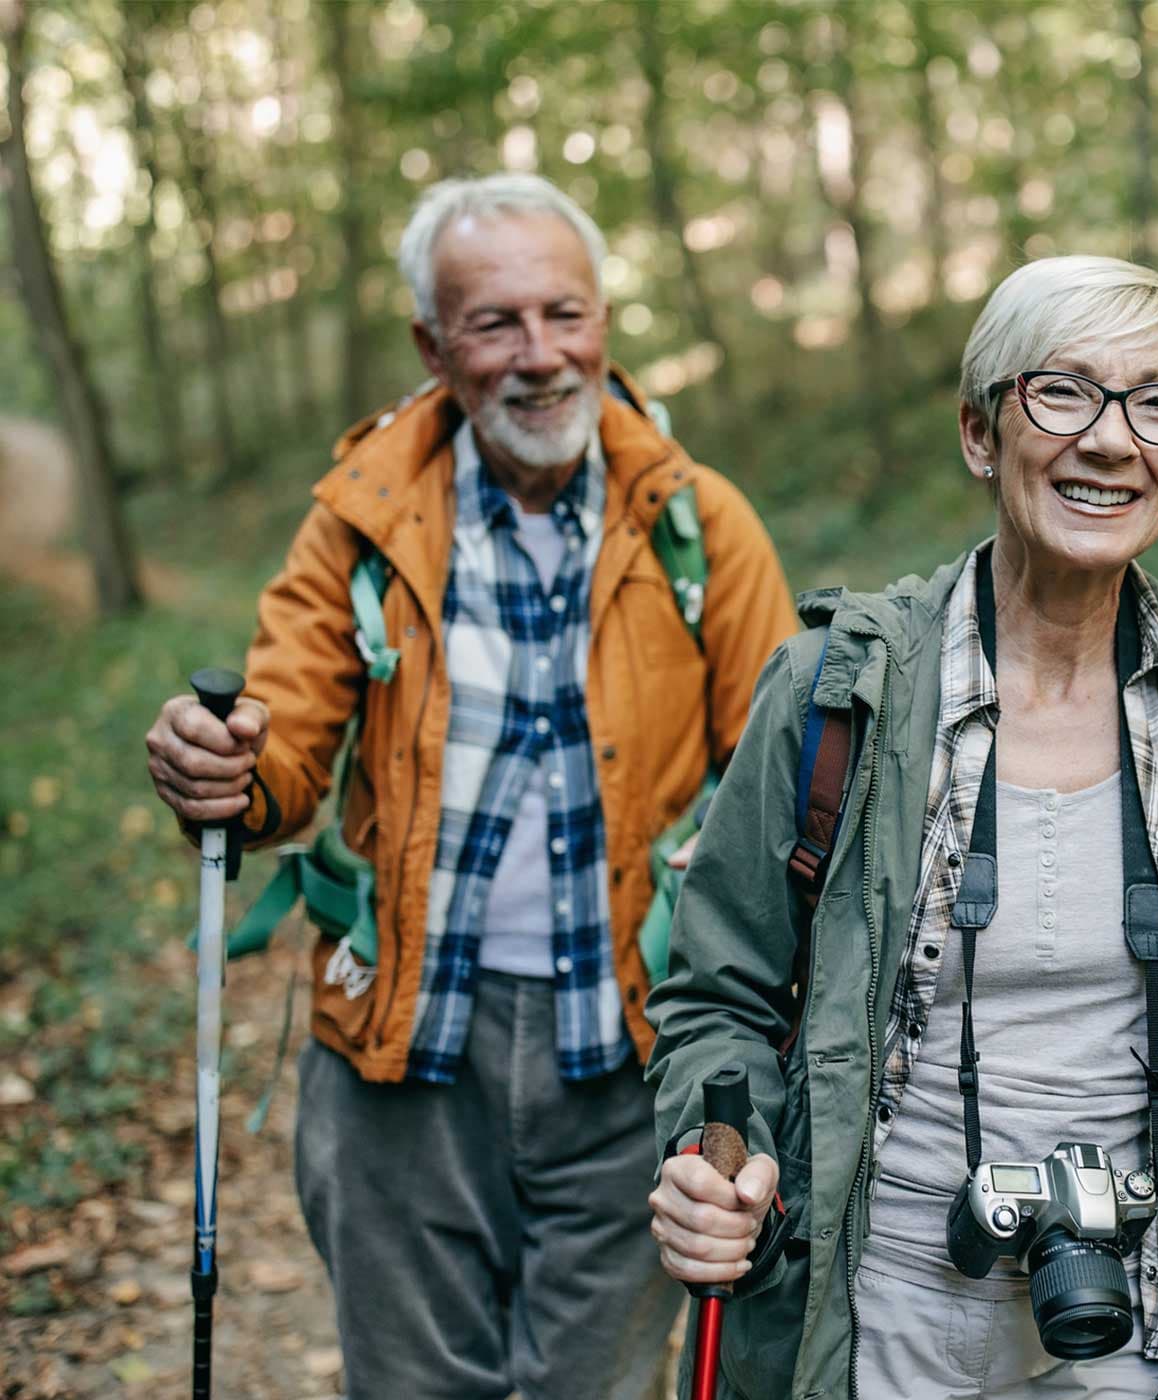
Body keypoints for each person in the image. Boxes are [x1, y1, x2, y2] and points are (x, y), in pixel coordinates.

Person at [644, 255, 1158, 1400]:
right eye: (1062, 391)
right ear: (979, 431)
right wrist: (724, 1169)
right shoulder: (837, 694)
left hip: (1143, 1313)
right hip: (874, 1317)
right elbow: (719, 994)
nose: (1112, 441)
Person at [143, 174, 798, 1400]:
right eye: (496, 323)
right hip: (403, 1051)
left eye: (567, 313)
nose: (542, 356)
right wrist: (220, 768)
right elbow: (282, 750)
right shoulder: (361, 522)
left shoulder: (699, 524)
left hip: (628, 1051)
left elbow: (778, 785)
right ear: (432, 346)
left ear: (605, 320)